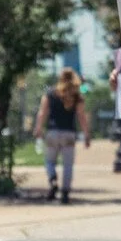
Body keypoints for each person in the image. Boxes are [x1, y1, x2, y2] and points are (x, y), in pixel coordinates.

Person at [29, 69, 89, 203]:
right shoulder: (77, 96)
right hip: (69, 134)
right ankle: (65, 193)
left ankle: (52, 180)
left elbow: (42, 112)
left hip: (52, 132)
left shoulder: (50, 93)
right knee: (68, 165)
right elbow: (81, 116)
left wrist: (38, 128)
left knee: (49, 161)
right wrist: (86, 134)